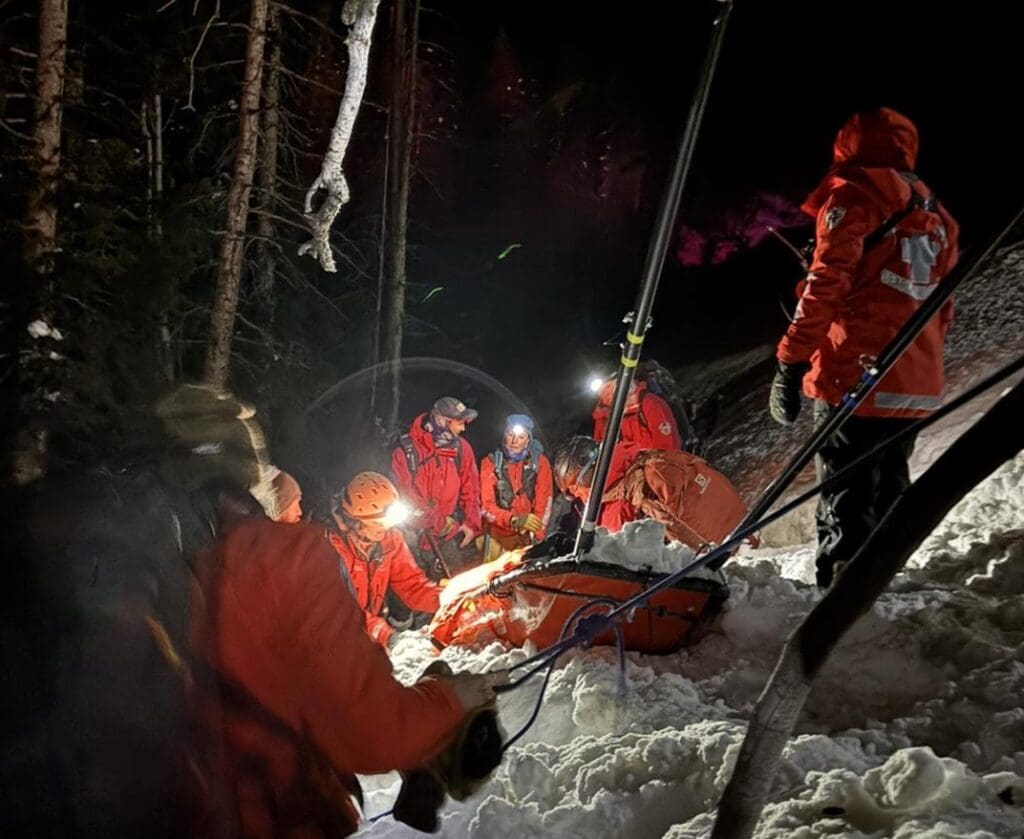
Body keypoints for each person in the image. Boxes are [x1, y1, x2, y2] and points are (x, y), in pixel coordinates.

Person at [188, 481, 506, 837]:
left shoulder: (387, 543)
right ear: (357, 520)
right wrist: (440, 696)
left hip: (341, 653)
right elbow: (366, 722)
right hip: (342, 654)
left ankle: (417, 774)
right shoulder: (313, 552)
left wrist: (455, 598)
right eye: (293, 503)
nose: (297, 511)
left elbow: (413, 586)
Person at [767, 107, 960, 588]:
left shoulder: (853, 198)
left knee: (845, 495)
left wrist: (790, 360)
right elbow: (945, 306)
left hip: (855, 378)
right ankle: (885, 582)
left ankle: (841, 593)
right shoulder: (938, 215)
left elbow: (826, 284)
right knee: (891, 488)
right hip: (912, 383)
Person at [550, 436, 748, 551]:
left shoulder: (622, 500)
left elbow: (622, 558)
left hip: (723, 561)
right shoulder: (646, 460)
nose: (578, 497)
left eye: (574, 490)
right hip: (743, 530)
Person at [326, 472, 441, 648]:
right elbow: (341, 611)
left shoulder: (389, 538)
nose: (384, 532)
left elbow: (411, 585)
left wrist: (444, 599)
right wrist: (387, 635)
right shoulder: (330, 550)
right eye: (377, 526)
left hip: (366, 632)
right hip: (334, 639)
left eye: (387, 525)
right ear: (355, 523)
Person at [392, 396, 482, 574]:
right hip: (411, 536)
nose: (463, 428)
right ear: (442, 421)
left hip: (446, 536)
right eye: (459, 423)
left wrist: (471, 524)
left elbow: (471, 490)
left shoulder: (462, 449)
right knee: (411, 592)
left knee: (455, 587)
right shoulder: (406, 451)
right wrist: (439, 523)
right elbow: (406, 497)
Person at [479, 414, 553, 558]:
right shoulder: (491, 463)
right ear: (504, 435)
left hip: (526, 536)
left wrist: (537, 534)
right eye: (510, 434)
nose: (514, 441)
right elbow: (486, 507)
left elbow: (544, 503)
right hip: (497, 536)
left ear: (528, 440)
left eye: (521, 437)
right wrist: (513, 520)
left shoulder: (540, 464)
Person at [592, 375, 681, 451]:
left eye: (609, 387)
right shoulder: (603, 416)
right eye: (602, 391)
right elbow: (600, 450)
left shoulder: (649, 403)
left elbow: (668, 443)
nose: (606, 394)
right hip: (627, 468)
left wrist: (656, 466)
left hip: (653, 465)